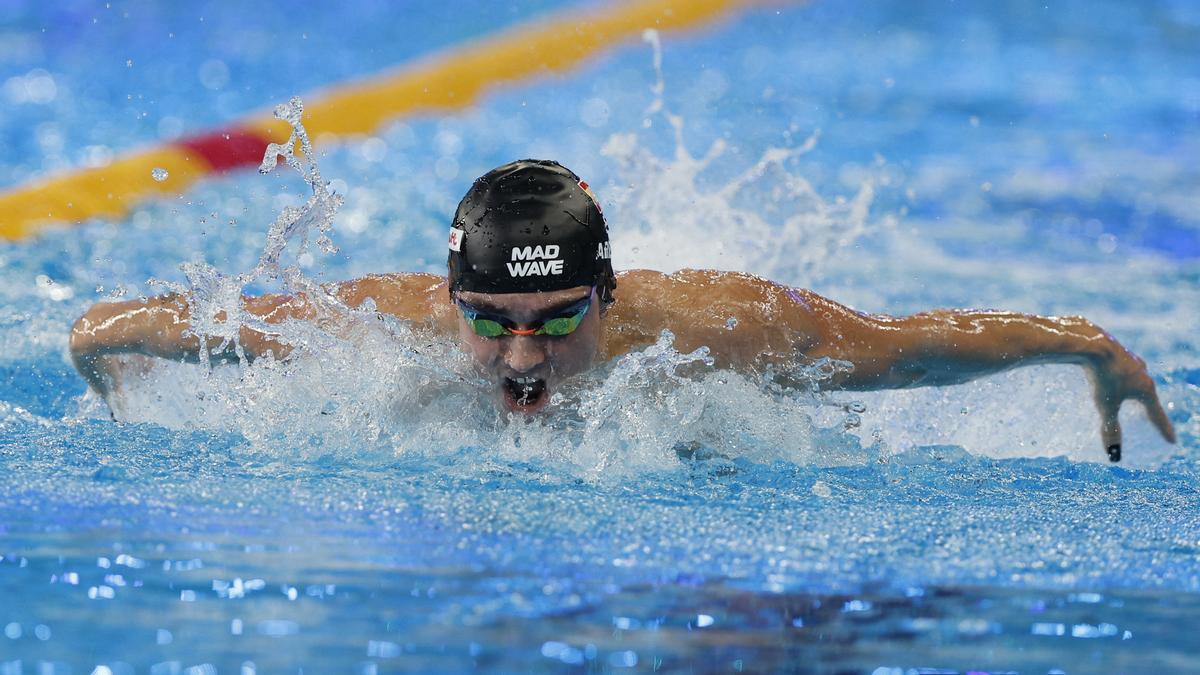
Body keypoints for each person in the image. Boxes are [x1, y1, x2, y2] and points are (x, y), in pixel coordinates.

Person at [69, 159, 1175, 462]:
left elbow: (911, 352)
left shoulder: (719, 335)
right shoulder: (376, 329)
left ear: (611, 293)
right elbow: (139, 322)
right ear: (448, 297)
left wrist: (1084, 348)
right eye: (489, 317)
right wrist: (98, 354)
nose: (518, 357)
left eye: (556, 319)